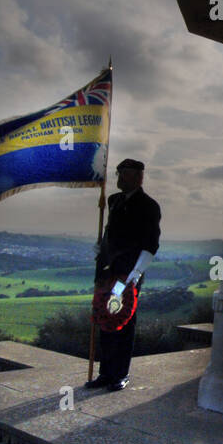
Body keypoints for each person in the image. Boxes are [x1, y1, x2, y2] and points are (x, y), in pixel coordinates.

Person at [86, 158, 161, 391]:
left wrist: (135, 274)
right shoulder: (113, 200)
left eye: (125, 175)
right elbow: (111, 233)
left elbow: (150, 244)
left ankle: (120, 374)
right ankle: (105, 373)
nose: (120, 179)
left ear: (139, 178)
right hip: (107, 271)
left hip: (126, 275)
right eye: (118, 174)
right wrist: (102, 248)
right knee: (104, 319)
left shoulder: (149, 206)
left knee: (121, 320)